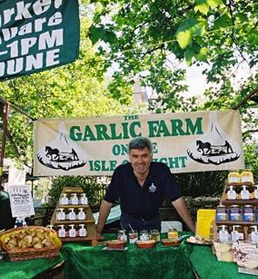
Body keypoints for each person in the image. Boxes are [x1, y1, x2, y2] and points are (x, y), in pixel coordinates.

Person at [96, 137, 195, 233]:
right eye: (135, 156)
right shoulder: (121, 173)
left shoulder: (161, 171)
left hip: (153, 223)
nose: (140, 161)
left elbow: (177, 200)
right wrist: (98, 232)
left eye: (144, 156)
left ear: (151, 156)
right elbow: (107, 202)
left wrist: (194, 231)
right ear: (129, 158)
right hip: (128, 223)